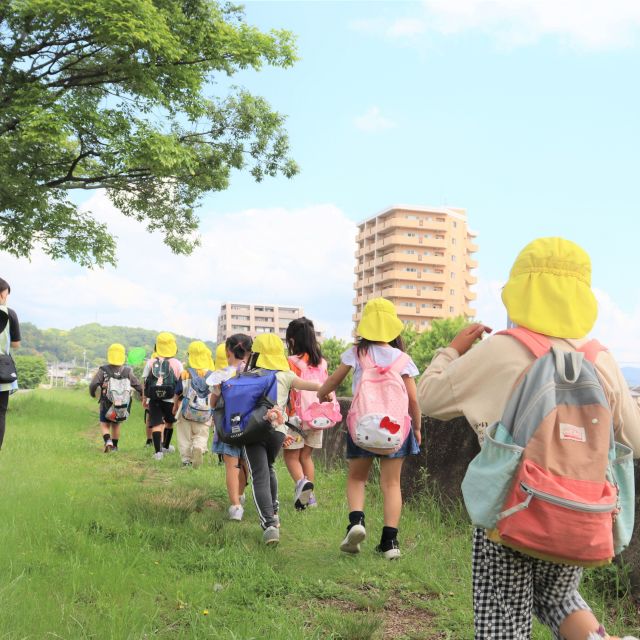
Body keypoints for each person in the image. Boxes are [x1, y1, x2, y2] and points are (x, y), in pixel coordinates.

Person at [417, 237, 640, 640]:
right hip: (577, 506)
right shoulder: (599, 358)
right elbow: (635, 441)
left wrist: (450, 352)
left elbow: (429, 399)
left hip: (511, 505)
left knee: (504, 615)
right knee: (559, 597)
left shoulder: (502, 349)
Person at [317, 297, 422, 560]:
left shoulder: (357, 354)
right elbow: (413, 399)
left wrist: (322, 394)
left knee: (357, 478)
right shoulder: (402, 359)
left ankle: (356, 523)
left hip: (362, 427)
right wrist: (417, 428)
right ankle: (390, 543)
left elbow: (333, 380)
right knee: (391, 484)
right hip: (396, 430)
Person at [241, 333, 321, 546]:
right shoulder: (285, 374)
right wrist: (326, 390)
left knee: (259, 474)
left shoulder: (248, 375)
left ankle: (269, 524)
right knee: (269, 467)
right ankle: (274, 512)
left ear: (256, 353)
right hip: (278, 431)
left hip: (254, 430)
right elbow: (307, 385)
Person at [284, 317, 328, 510]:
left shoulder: (290, 362)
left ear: (292, 340)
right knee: (306, 457)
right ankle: (310, 498)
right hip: (318, 416)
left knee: (291, 457)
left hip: (296, 418)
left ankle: (303, 488)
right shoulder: (322, 363)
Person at [208, 334, 252, 520]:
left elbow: (212, 402)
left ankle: (235, 506)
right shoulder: (254, 373)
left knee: (231, 465)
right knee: (244, 462)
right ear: (249, 352)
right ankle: (241, 495)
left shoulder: (221, 374)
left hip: (228, 426)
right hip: (250, 425)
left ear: (228, 351)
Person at [89, 343, 142, 452]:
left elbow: (93, 384)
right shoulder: (128, 371)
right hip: (122, 404)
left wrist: (93, 393)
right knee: (116, 424)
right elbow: (137, 385)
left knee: (104, 424)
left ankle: (108, 441)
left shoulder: (103, 370)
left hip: (106, 403)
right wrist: (144, 394)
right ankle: (115, 447)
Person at [141, 333, 183, 460]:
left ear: (156, 347)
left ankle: (158, 452)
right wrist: (178, 402)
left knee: (157, 424)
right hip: (171, 400)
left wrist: (144, 398)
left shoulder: (151, 362)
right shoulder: (177, 363)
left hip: (154, 399)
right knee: (169, 423)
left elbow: (144, 383)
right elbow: (181, 384)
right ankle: (165, 446)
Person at [174, 341, 214, 468]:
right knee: (201, 434)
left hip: (186, 410)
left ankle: (186, 460)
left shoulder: (185, 374)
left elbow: (178, 393)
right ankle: (198, 447)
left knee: (184, 436)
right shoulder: (212, 375)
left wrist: (175, 407)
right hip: (205, 412)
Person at [0, 278, 20, 451]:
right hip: (2, 369)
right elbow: (15, 344)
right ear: (2, 294)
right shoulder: (10, 313)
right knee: (0, 412)